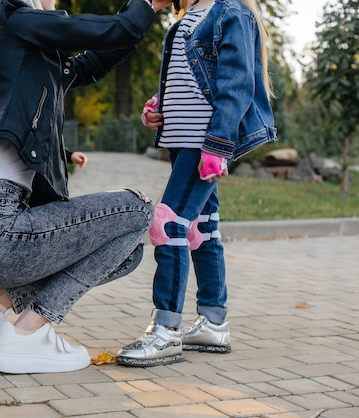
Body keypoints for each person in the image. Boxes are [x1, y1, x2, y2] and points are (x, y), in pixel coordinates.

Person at [0, 0, 172, 374]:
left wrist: (143, 11)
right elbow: (112, 30)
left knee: (127, 251)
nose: (57, 3)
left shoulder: (17, 43)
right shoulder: (11, 16)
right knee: (137, 210)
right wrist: (143, 6)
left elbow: (90, 63)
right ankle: (29, 333)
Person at [117, 0, 277, 367]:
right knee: (202, 228)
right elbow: (189, 79)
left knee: (167, 222)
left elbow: (236, 85)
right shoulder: (189, 15)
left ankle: (166, 330)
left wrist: (218, 146)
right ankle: (213, 322)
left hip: (204, 142)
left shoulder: (231, 12)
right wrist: (158, 106)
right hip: (182, 139)